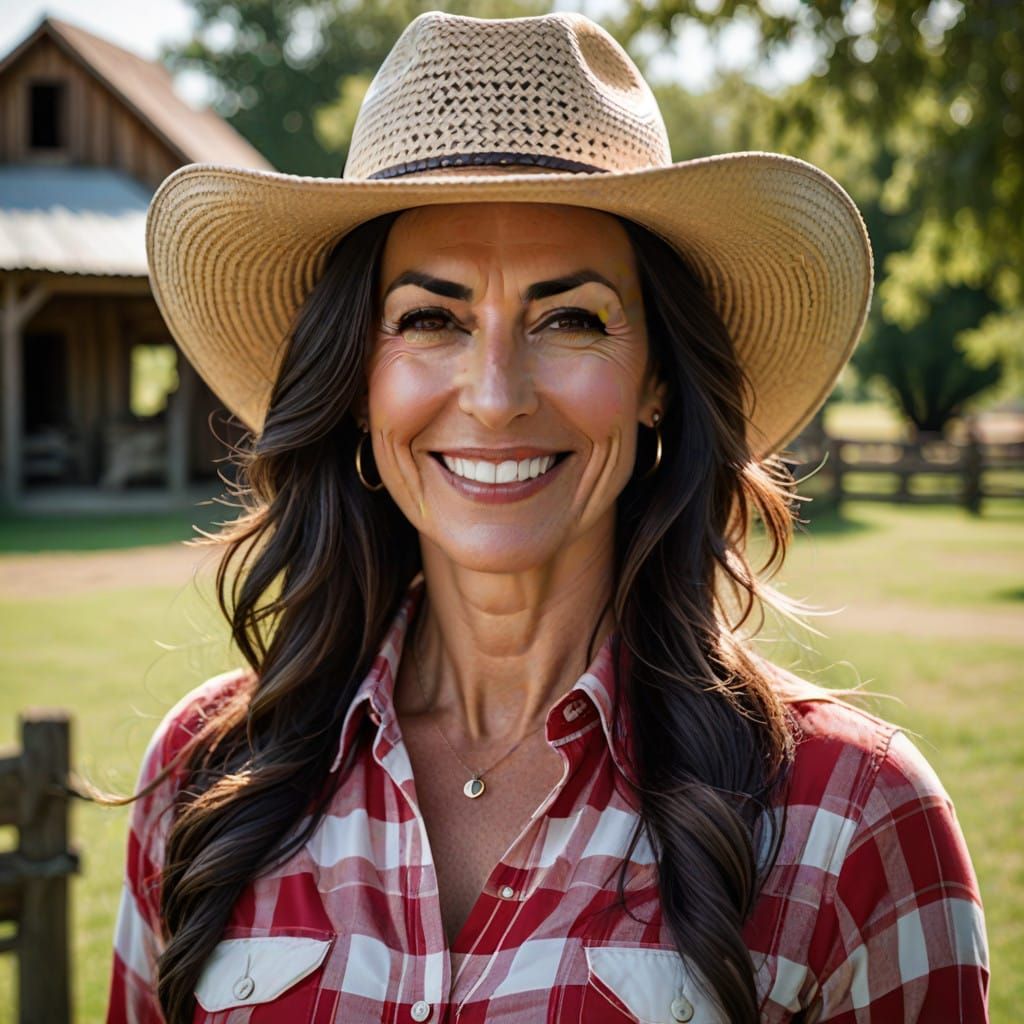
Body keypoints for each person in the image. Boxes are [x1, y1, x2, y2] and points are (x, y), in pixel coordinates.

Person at [105, 11, 989, 1024]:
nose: (495, 396)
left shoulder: (853, 817)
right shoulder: (204, 776)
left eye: (570, 317)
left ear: (656, 380)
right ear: (355, 382)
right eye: (429, 318)